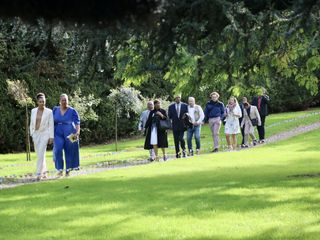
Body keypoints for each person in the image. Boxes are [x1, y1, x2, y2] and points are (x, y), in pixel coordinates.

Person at [53, 94, 80, 177]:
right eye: (63, 100)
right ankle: (59, 170)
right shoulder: (55, 110)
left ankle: (68, 170)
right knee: (57, 149)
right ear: (60, 101)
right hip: (57, 132)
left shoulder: (72, 111)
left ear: (68, 101)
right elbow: (50, 121)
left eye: (66, 100)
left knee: (70, 150)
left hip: (70, 132)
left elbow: (77, 122)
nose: (64, 102)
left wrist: (77, 132)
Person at [29, 93, 54, 180]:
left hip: (45, 134)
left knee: (41, 153)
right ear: (37, 102)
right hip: (36, 134)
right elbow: (31, 124)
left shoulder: (49, 112)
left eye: (43, 101)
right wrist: (32, 134)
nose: (42, 103)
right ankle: (44, 172)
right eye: (40, 102)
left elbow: (51, 125)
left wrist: (51, 137)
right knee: (39, 154)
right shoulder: (33, 111)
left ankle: (38, 174)